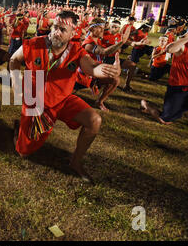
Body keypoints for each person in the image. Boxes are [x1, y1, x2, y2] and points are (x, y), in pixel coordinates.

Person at [9, 11, 122, 182]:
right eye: (55, 27)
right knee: (23, 152)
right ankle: (19, 131)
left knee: (94, 120)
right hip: (36, 102)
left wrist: (106, 70)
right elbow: (13, 60)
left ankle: (75, 162)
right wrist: (16, 82)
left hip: (63, 100)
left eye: (62, 29)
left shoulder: (76, 50)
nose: (56, 32)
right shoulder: (33, 44)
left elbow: (91, 67)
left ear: (73, 33)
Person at [140, 27, 188, 130]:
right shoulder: (183, 46)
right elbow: (169, 49)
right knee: (165, 120)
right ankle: (145, 104)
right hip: (177, 88)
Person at [74, 18, 130, 111]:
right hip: (83, 75)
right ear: (92, 29)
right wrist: (121, 43)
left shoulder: (98, 40)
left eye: (103, 28)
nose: (102, 30)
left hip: (94, 74)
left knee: (115, 80)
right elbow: (104, 51)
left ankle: (99, 102)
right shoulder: (88, 43)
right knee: (63, 95)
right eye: (100, 28)